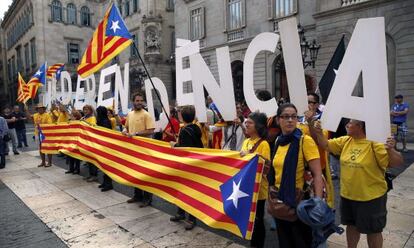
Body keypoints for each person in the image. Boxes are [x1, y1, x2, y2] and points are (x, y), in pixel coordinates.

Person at [309, 119, 403, 248]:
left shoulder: (375, 143)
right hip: (348, 195)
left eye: (350, 123)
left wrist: (391, 150)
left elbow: (396, 162)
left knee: (373, 231)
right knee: (351, 226)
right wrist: (319, 132)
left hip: (371, 197)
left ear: (360, 126)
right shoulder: (346, 140)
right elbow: (326, 145)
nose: (347, 125)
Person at [268, 103, 324, 248]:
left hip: (300, 203)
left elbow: (318, 174)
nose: (290, 120)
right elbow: (275, 171)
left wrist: (318, 202)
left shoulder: (305, 141)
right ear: (278, 120)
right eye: (286, 117)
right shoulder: (278, 141)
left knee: (301, 242)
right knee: (284, 242)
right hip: (280, 201)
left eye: (294, 116)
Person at [169, 105, 204, 230]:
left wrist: (175, 145)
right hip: (194, 166)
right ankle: (181, 213)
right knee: (185, 190)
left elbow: (185, 150)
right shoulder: (195, 128)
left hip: (187, 167)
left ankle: (190, 218)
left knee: (187, 192)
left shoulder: (185, 130)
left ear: (182, 116)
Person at [240, 111, 271, 248]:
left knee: (257, 219)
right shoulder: (246, 141)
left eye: (250, 122)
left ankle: (258, 245)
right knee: (249, 219)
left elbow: (266, 168)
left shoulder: (264, 144)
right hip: (247, 187)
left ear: (258, 126)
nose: (246, 124)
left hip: (259, 190)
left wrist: (252, 156)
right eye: (246, 121)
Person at [122, 91, 155, 207]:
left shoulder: (146, 114)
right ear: (133, 102)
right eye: (137, 101)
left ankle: (148, 198)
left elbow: (151, 130)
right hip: (134, 150)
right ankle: (137, 195)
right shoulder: (130, 114)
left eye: (141, 100)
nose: (140, 103)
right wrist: (125, 130)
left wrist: (135, 134)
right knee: (135, 172)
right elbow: (125, 127)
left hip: (145, 150)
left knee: (146, 174)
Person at [95, 106, 114, 192]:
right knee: (103, 165)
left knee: (107, 165)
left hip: (106, 146)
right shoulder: (102, 120)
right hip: (102, 146)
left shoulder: (105, 121)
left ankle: (108, 184)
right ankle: (105, 182)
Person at [81, 105, 98, 182]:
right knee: (88, 159)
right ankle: (90, 174)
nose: (85, 111)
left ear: (90, 110)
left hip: (91, 141)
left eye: (87, 109)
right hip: (85, 141)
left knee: (92, 159)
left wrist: (84, 123)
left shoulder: (92, 118)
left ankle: (94, 175)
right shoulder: (83, 118)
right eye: (84, 109)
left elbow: (92, 127)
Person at [66, 109, 82, 174]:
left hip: (76, 141)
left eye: (72, 115)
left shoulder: (79, 123)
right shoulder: (70, 122)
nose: (71, 116)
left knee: (76, 156)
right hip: (70, 140)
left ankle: (77, 169)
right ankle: (71, 168)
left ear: (76, 117)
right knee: (70, 156)